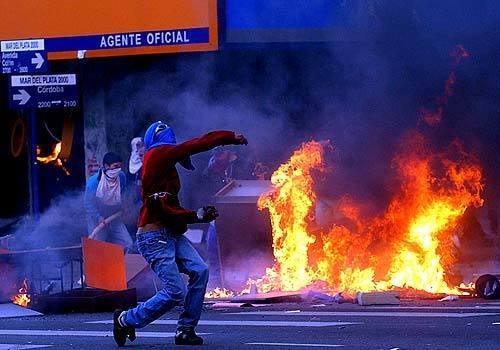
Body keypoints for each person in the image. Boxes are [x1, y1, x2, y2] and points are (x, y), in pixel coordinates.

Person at [113, 121, 247, 346]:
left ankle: (185, 329)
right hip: (154, 237)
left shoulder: (163, 165)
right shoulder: (156, 155)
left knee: (200, 270)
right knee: (175, 291)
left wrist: (197, 216)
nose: (173, 149)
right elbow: (195, 145)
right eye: (170, 145)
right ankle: (125, 319)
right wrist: (229, 136)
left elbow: (169, 210)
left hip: (170, 234)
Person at [84, 152, 133, 250]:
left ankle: (121, 264)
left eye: (119, 166)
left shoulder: (121, 177)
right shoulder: (93, 183)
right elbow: (88, 204)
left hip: (114, 216)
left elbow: (123, 193)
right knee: (96, 248)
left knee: (128, 244)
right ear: (106, 166)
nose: (118, 169)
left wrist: (125, 206)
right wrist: (98, 216)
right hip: (97, 220)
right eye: (115, 166)